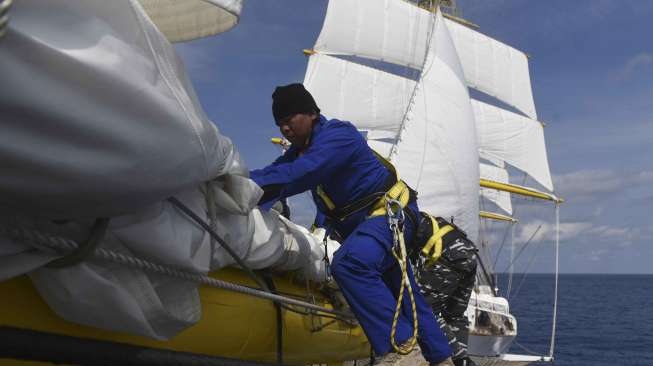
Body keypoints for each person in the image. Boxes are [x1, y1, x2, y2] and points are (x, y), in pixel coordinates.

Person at [250, 83, 453, 366]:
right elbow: (277, 172)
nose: (284, 129)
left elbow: (301, 174)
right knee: (405, 296)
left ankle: (403, 354)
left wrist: (249, 185)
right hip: (371, 227)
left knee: (350, 264)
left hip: (391, 216)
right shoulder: (302, 151)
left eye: (289, 120)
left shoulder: (338, 136)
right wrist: (236, 182)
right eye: (279, 124)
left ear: (310, 113)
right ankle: (442, 359)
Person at [411, 217, 479, 366]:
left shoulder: (402, 223)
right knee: (455, 314)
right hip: (470, 253)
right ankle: (462, 361)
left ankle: (459, 358)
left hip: (448, 254)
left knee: (426, 310)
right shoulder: (424, 219)